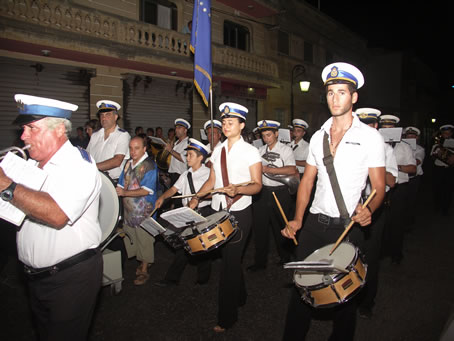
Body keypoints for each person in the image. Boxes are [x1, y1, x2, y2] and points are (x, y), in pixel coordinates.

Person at [281, 62, 386, 341]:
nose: (334, 98)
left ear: (353, 97)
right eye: (330, 92)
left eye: (341, 92)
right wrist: (298, 219)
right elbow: (307, 181)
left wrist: (369, 211)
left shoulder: (370, 137)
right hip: (315, 224)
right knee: (302, 290)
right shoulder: (318, 137)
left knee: (345, 299)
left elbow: (378, 187)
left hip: (348, 227)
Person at [0, 94, 103, 340]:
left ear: (58, 130)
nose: (23, 136)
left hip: (70, 278)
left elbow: (57, 215)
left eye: (31, 128)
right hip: (36, 278)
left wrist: (7, 186)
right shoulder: (32, 164)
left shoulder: (79, 166)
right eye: (24, 128)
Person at [188, 102, 262, 332]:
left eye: (231, 122)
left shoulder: (251, 151)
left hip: (240, 212)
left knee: (228, 265)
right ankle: (240, 295)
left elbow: (257, 185)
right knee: (231, 260)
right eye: (224, 122)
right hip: (219, 210)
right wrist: (197, 198)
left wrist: (238, 189)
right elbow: (211, 181)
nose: (226, 126)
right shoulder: (218, 150)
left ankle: (226, 318)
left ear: (241, 125)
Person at [355, 107, 398, 319]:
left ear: (376, 126)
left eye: (370, 125)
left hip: (374, 208)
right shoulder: (351, 147)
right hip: (353, 207)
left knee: (370, 257)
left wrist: (373, 167)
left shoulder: (385, 149)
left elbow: (391, 181)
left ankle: (367, 301)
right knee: (352, 254)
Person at [154, 138, 212, 287]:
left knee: (202, 245)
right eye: (187, 155)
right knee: (184, 244)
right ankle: (173, 279)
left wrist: (198, 197)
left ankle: (203, 278)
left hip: (203, 212)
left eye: (190, 155)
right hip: (188, 212)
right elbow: (173, 190)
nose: (187, 158)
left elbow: (214, 193)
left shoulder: (208, 174)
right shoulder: (186, 174)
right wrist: (162, 197)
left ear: (201, 157)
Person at [248, 120, 297, 272]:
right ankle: (260, 262)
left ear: (276, 134)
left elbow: (291, 170)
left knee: (280, 226)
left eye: (269, 135)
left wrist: (269, 169)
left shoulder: (286, 150)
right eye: (263, 136)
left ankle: (285, 257)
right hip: (262, 193)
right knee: (260, 227)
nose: (266, 138)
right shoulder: (259, 150)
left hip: (280, 191)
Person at [116, 136, 158, 286]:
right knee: (133, 237)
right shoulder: (128, 164)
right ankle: (143, 261)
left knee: (144, 239)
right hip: (130, 211)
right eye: (131, 148)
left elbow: (146, 191)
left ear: (144, 149)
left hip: (143, 212)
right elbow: (122, 183)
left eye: (137, 148)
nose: (133, 152)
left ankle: (145, 270)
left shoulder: (149, 166)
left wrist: (124, 193)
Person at [379, 114, 416, 264]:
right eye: (385, 128)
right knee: (382, 222)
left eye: (391, 128)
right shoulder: (377, 145)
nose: (388, 130)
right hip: (381, 188)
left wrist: (395, 166)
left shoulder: (404, 147)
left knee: (397, 222)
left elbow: (412, 168)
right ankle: (382, 251)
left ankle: (396, 253)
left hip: (399, 188)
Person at [86, 100, 131, 182]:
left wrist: (93, 167)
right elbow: (87, 156)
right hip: (94, 179)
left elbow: (117, 161)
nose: (104, 118)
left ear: (115, 117)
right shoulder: (95, 136)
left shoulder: (122, 135)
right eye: (101, 115)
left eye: (108, 114)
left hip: (112, 182)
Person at [165, 118, 190, 206]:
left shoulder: (188, 143)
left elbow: (184, 158)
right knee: (174, 201)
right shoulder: (176, 143)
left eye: (179, 127)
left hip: (180, 176)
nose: (176, 130)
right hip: (173, 175)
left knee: (179, 202)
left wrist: (171, 150)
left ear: (185, 130)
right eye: (176, 128)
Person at [403, 126, 425, 225]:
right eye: (408, 135)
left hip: (414, 178)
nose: (410, 137)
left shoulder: (420, 149)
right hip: (403, 177)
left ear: (417, 138)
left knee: (411, 201)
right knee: (402, 202)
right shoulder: (401, 147)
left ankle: (409, 223)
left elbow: (417, 161)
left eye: (413, 136)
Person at [430, 124, 454, 215]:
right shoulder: (437, 143)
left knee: (448, 189)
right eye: (445, 133)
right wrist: (438, 154)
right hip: (438, 168)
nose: (446, 135)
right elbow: (432, 157)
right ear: (442, 134)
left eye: (448, 133)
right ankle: (437, 206)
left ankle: (445, 208)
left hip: (449, 169)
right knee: (437, 188)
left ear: (451, 133)